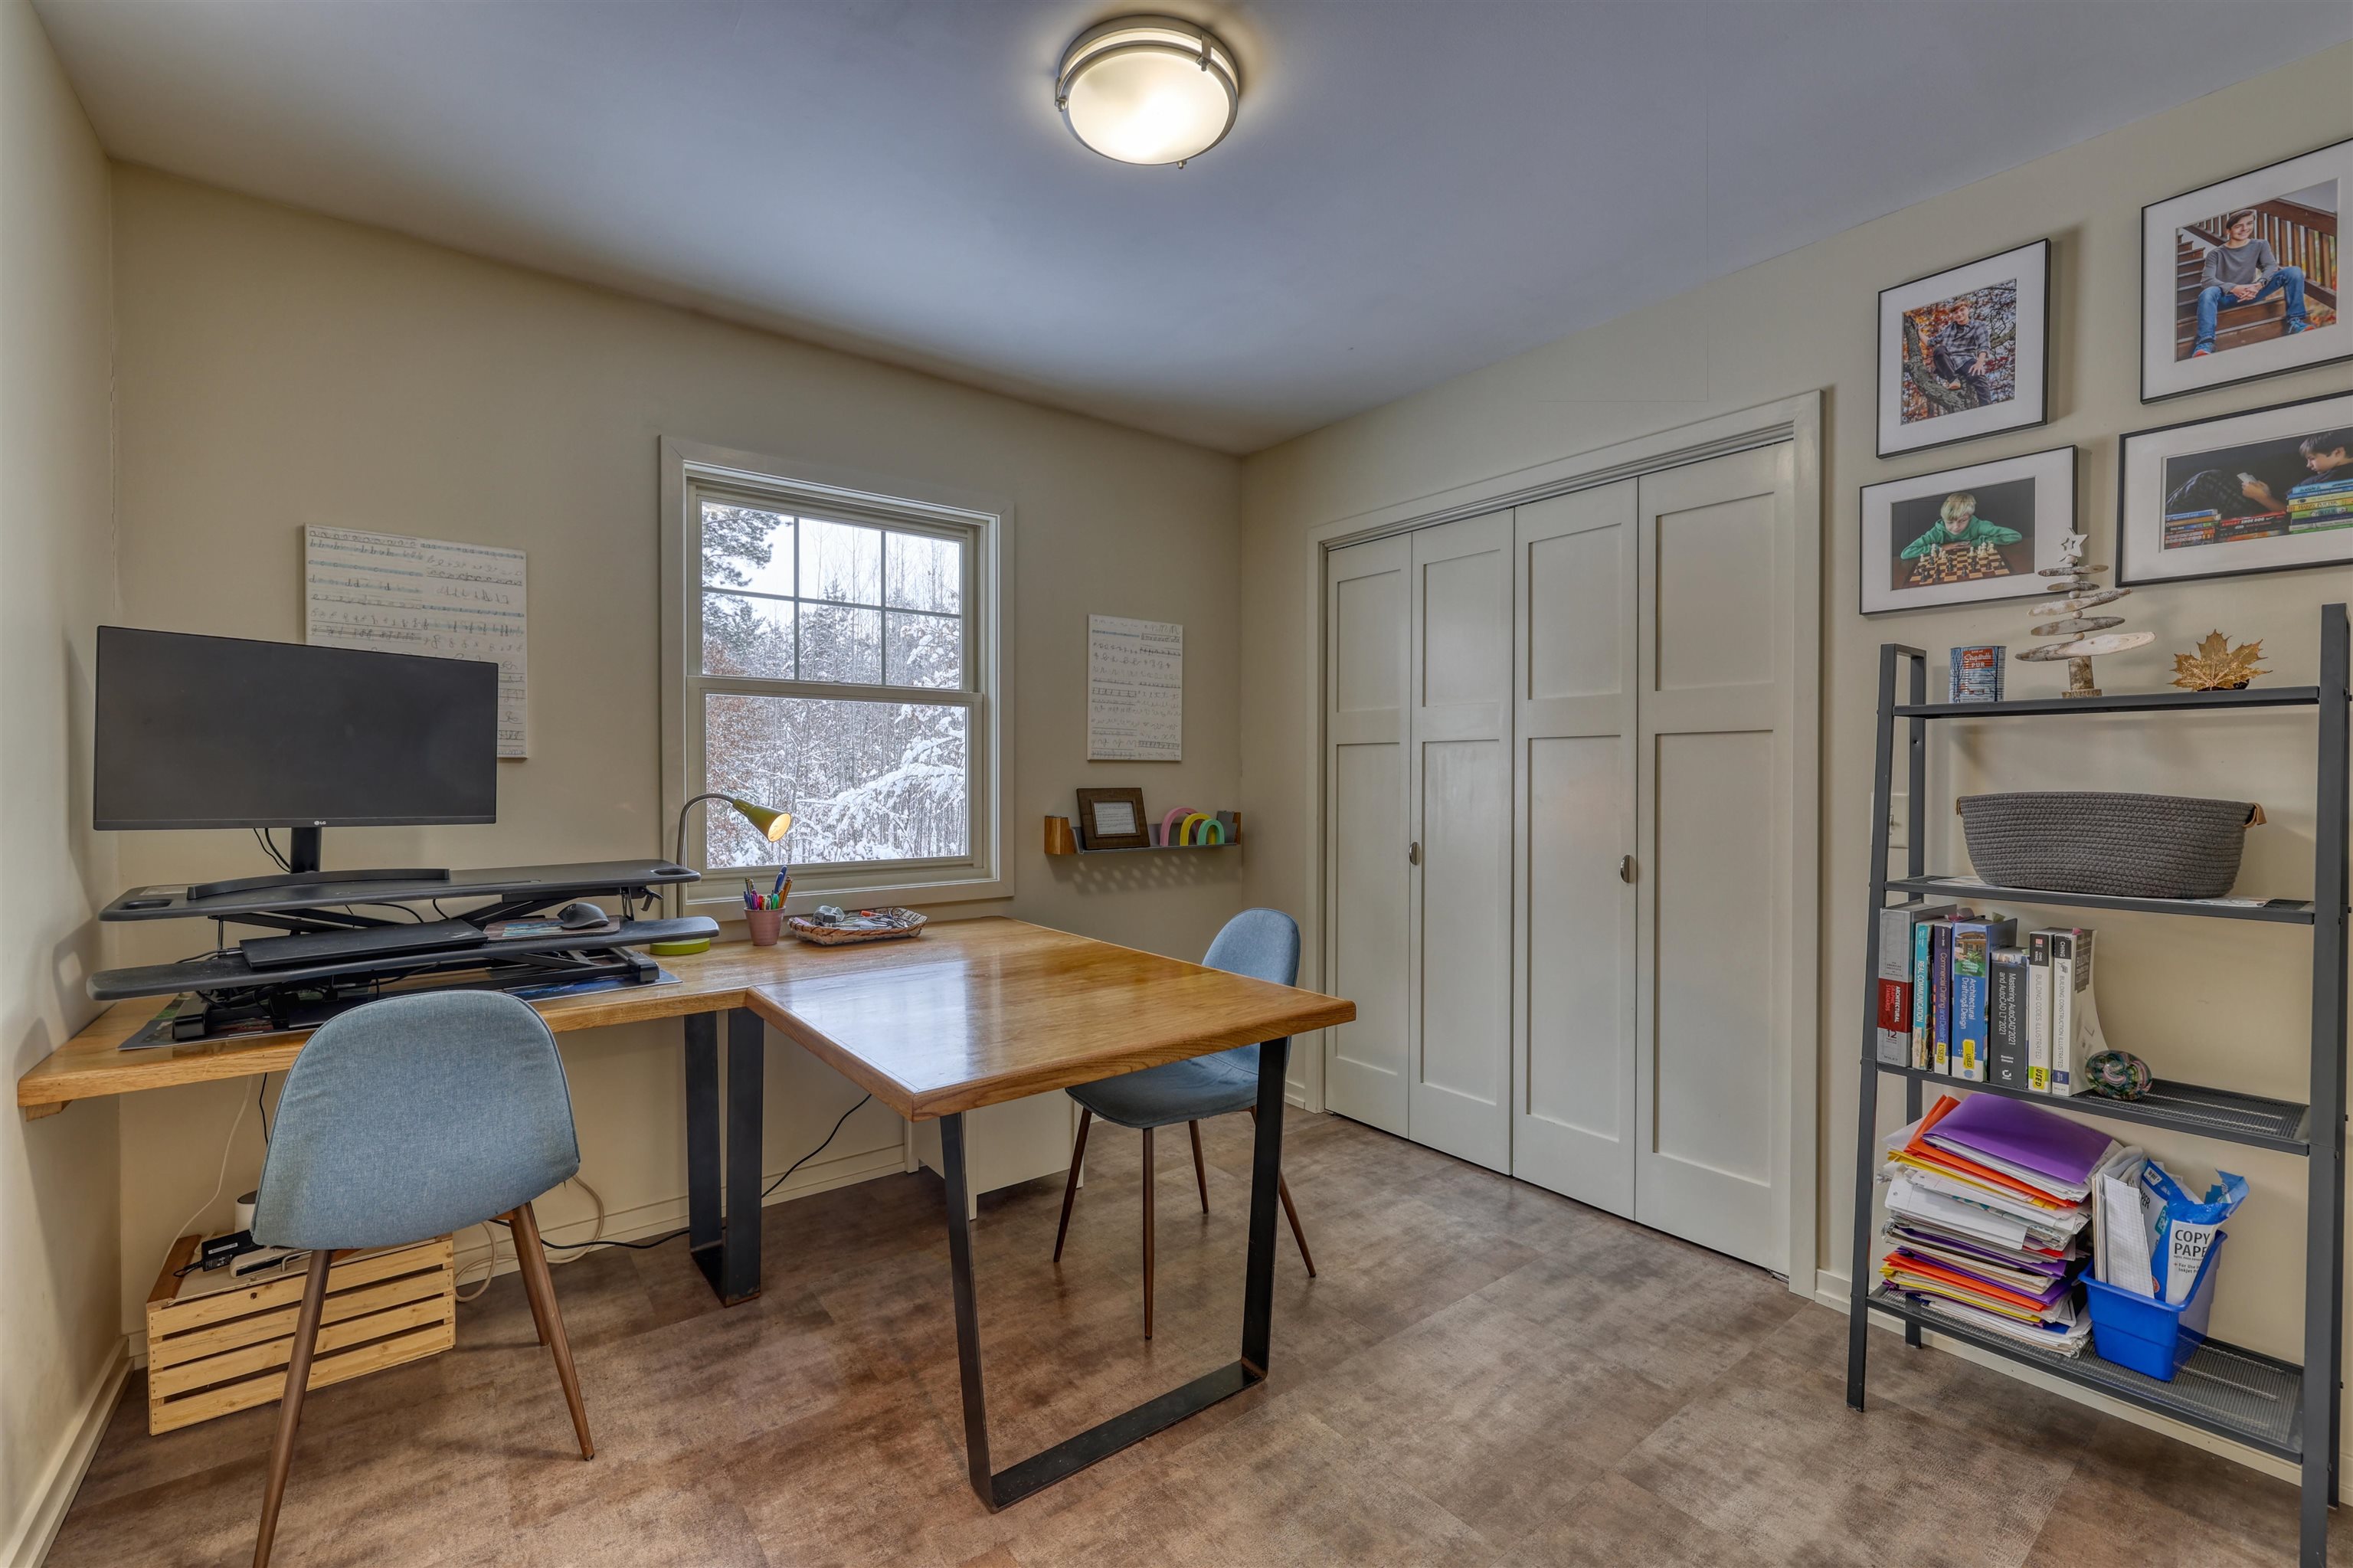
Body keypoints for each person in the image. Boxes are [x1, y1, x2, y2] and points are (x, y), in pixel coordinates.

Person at [2191, 209, 2309, 357]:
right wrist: (2235, 288)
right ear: (2229, 230)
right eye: (2238, 226)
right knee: (2208, 293)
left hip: (2253, 292)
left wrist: (2258, 285)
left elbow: (2271, 267)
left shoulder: (2260, 245)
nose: (2245, 229)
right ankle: (2205, 343)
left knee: (2294, 272)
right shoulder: (2215, 254)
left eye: (2249, 224)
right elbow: (2207, 280)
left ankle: (2295, 322)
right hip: (2226, 298)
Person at [1900, 492, 2024, 563]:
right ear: (1943, 519)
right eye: (1950, 522)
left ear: (1969, 517)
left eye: (1962, 521)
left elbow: (2014, 536)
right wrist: (1941, 547)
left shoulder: (1979, 526)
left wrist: (1975, 543)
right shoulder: (1937, 532)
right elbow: (1906, 554)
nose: (1956, 527)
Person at [1926, 296, 1995, 407]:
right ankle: (1953, 380)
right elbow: (1930, 342)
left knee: (1978, 375)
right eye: (1955, 312)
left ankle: (1986, 407)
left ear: (1968, 309)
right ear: (1953, 316)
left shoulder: (1978, 325)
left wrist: (1979, 363)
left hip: (1965, 360)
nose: (1959, 314)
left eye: (1962, 310)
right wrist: (1917, 331)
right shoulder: (1948, 329)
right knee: (1939, 350)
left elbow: (1984, 345)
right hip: (1948, 363)